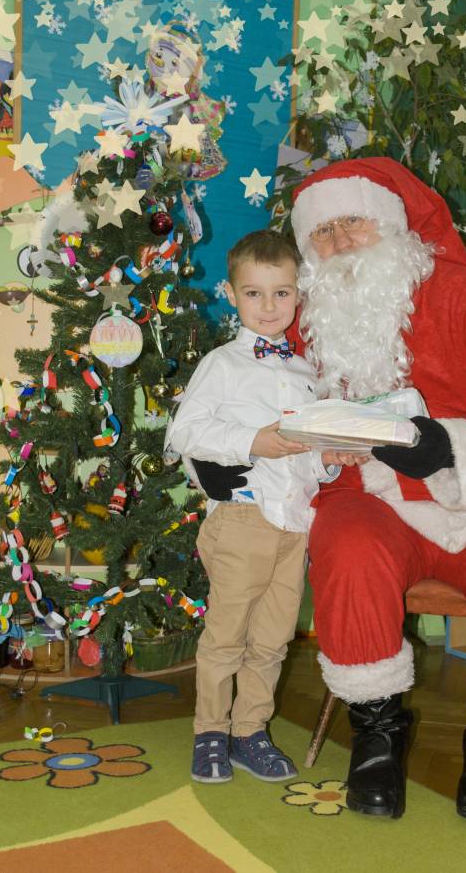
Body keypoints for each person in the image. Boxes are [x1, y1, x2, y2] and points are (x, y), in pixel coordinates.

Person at [193, 159, 466, 824]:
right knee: (348, 547)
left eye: (354, 222)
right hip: (364, 494)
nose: (340, 241)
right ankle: (376, 736)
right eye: (323, 232)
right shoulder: (296, 318)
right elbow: (239, 398)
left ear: (393, 225)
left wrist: (446, 444)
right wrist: (222, 460)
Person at [165, 229, 362, 785]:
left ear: (299, 295)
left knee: (273, 639)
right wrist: (254, 441)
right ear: (231, 294)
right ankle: (210, 732)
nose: (269, 306)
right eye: (254, 293)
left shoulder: (307, 374)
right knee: (226, 635)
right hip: (243, 519)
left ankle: (249, 731)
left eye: (281, 293)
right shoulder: (222, 364)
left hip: (294, 525)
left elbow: (306, 458)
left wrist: (329, 460)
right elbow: (184, 433)